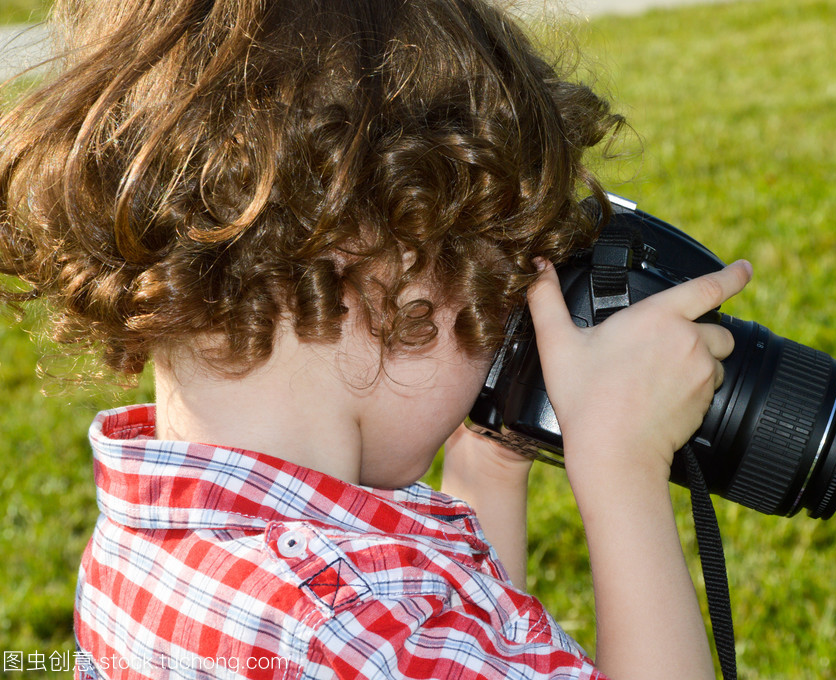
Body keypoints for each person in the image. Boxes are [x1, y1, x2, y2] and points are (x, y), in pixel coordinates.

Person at [0, 1, 752, 678]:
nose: (500, 339)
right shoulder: (348, 627)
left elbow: (462, 642)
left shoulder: (153, 535)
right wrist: (620, 467)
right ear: (392, 273)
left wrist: (487, 470)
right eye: (494, 294)